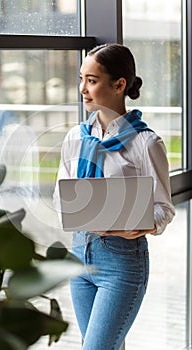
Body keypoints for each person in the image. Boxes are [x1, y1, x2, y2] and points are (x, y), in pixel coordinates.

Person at [54, 43, 175, 350]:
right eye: (81, 79)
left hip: (121, 261)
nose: (82, 89)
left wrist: (139, 225)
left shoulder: (145, 143)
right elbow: (60, 197)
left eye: (91, 80)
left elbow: (164, 210)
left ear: (119, 85)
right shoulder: (75, 138)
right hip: (80, 256)